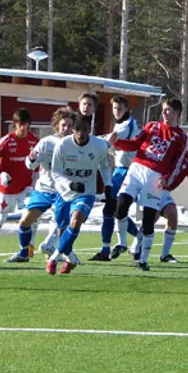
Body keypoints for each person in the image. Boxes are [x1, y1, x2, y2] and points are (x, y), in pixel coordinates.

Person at [109, 97, 188, 271]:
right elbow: (135, 144)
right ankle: (122, 243)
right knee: (121, 204)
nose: (165, 113)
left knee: (148, 219)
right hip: (137, 169)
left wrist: (167, 178)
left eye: (168, 110)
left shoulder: (181, 137)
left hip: (156, 176)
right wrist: (118, 142)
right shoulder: (152, 126)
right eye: (164, 110)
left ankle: (143, 259)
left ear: (177, 113)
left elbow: (177, 162)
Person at [6, 107, 75, 263]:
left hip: (63, 191)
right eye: (63, 125)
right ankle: (24, 253)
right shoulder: (46, 143)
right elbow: (30, 165)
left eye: (70, 126)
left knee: (62, 225)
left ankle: (63, 253)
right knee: (24, 222)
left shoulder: (76, 145)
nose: (66, 129)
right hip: (44, 189)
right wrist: (31, 159)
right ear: (57, 125)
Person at [46, 113, 112, 274]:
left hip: (86, 192)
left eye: (85, 130)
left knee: (76, 221)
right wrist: (70, 184)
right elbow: (55, 172)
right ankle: (71, 258)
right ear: (73, 130)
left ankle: (53, 257)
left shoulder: (100, 146)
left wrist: (108, 184)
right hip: (65, 192)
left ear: (90, 130)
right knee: (63, 230)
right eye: (77, 130)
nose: (81, 134)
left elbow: (104, 165)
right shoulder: (62, 145)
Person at [130, 129, 188, 263]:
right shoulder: (175, 151)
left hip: (165, 191)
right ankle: (135, 247)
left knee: (172, 215)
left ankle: (164, 255)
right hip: (154, 185)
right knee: (152, 218)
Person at [90, 95, 141, 261]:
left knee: (111, 208)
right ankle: (127, 241)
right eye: (114, 108)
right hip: (121, 170)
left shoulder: (127, 125)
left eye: (119, 108)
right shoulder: (122, 123)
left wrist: (90, 141)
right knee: (115, 209)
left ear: (126, 109)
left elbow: (110, 140)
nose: (116, 111)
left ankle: (118, 244)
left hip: (128, 171)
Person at [0, 108, 39, 259]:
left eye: (26, 124)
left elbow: (40, 160)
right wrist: (0, 173)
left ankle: (29, 246)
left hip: (25, 187)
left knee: (32, 216)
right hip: (7, 188)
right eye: (20, 124)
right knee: (1, 218)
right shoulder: (7, 140)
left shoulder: (35, 141)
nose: (23, 127)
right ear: (15, 124)